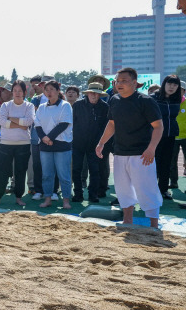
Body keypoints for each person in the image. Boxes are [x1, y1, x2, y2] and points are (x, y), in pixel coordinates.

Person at [96, 68, 163, 228]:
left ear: (134, 83)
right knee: (123, 189)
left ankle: (154, 224)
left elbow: (158, 127)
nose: (119, 84)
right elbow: (112, 124)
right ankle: (127, 221)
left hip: (142, 154)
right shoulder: (114, 100)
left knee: (147, 189)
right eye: (117, 81)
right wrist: (101, 143)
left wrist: (151, 148)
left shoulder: (145, 101)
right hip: (120, 152)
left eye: (124, 81)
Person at [0, 80, 35, 206]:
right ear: (12, 92)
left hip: (23, 144)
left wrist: (11, 119)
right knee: (2, 170)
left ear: (24, 92)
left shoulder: (29, 106)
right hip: (5, 143)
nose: (17, 93)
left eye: (20, 91)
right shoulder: (5, 106)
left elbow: (29, 122)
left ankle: (19, 197)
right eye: (15, 91)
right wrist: (20, 124)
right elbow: (2, 121)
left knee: (20, 171)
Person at [35, 80, 73, 209]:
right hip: (45, 146)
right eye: (47, 90)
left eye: (52, 89)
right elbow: (37, 125)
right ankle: (47, 198)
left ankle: (66, 200)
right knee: (47, 174)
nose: (49, 92)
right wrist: (45, 139)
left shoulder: (65, 105)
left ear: (58, 91)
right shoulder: (41, 107)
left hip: (62, 145)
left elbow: (63, 124)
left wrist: (49, 137)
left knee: (64, 175)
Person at [71, 82, 109, 203]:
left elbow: (106, 127)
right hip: (78, 143)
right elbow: (71, 123)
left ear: (100, 95)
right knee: (76, 169)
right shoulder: (77, 105)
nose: (94, 95)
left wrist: (102, 143)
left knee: (95, 170)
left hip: (96, 144)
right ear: (87, 94)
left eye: (97, 93)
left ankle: (93, 194)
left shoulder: (105, 107)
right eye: (92, 93)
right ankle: (78, 193)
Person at [150, 74, 181, 199]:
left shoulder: (177, 99)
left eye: (175, 84)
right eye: (169, 84)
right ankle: (151, 190)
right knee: (153, 163)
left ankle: (163, 189)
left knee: (167, 163)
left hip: (171, 135)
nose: (172, 87)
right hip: (155, 135)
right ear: (164, 84)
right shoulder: (153, 98)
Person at [170, 80, 186, 189]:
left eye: (180, 90)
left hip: (185, 137)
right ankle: (174, 182)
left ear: (184, 91)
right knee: (172, 161)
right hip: (172, 136)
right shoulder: (169, 102)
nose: (177, 91)